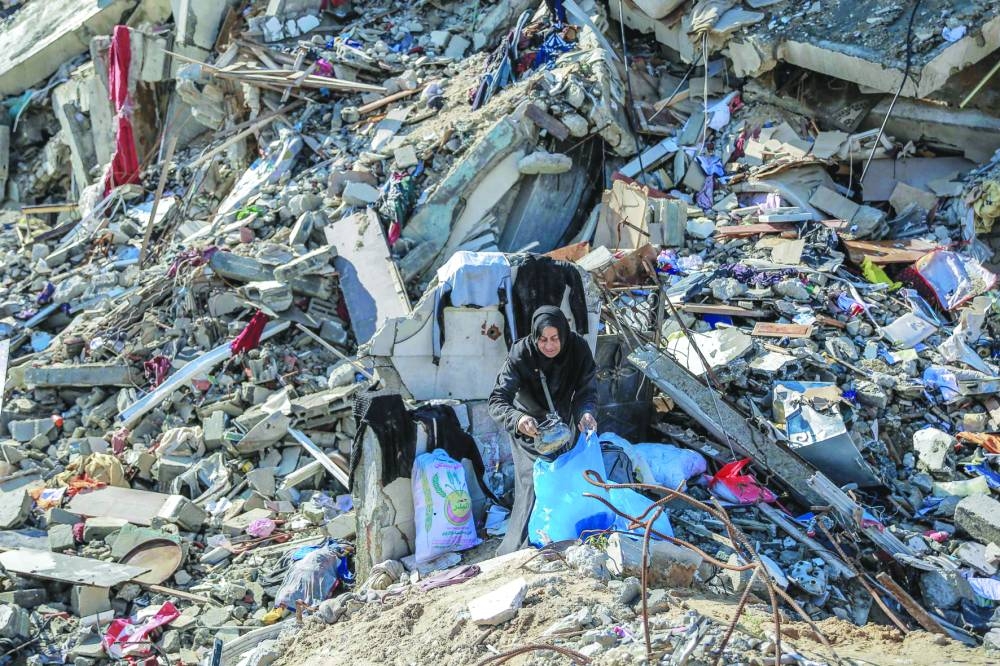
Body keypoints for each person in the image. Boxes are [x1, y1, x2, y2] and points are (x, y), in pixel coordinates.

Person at [488, 305, 598, 555]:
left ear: (564, 334)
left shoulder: (577, 350)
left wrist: (586, 412)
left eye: (555, 338)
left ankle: (559, 540)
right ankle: (521, 550)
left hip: (562, 427)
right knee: (534, 486)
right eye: (543, 339)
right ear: (534, 336)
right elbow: (497, 400)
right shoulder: (521, 354)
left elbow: (586, 390)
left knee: (564, 480)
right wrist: (517, 419)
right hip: (529, 431)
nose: (549, 346)